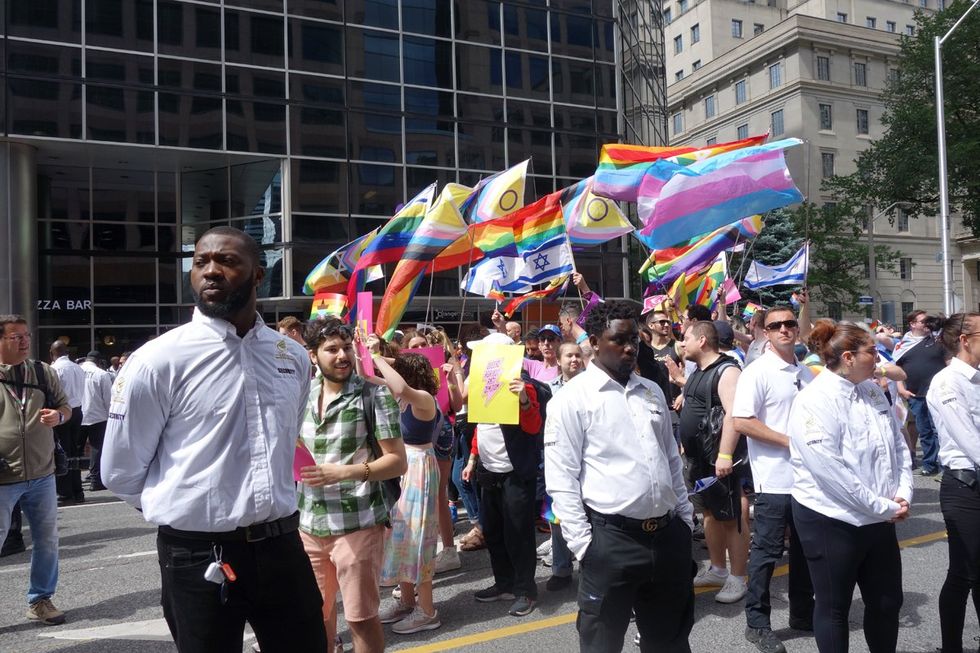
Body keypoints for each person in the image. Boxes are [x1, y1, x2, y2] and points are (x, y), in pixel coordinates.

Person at [102, 227, 328, 653]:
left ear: (258, 274)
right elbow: (120, 471)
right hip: (196, 554)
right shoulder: (158, 360)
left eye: (227, 261)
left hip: (282, 547)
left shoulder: (292, 356)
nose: (210, 271)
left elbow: (285, 443)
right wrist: (188, 507)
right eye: (201, 262)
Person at [545, 299, 694, 653]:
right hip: (611, 542)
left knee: (670, 642)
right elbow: (562, 478)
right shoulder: (572, 399)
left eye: (634, 340)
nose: (630, 348)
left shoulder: (651, 391)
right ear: (595, 342)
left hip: (667, 536)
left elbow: (670, 460)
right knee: (602, 643)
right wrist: (585, 546)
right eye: (619, 340)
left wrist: (685, 521)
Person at [788, 321, 912, 653]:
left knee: (887, 602)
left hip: (880, 515)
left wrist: (903, 492)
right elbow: (831, 472)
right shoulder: (814, 399)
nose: (879, 358)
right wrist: (884, 507)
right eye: (872, 352)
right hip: (831, 518)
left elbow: (897, 446)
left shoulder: (872, 390)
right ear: (848, 357)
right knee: (834, 607)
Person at [297, 317, 407, 653]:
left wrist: (343, 473)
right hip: (309, 524)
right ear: (313, 355)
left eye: (346, 347)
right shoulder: (301, 395)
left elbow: (397, 461)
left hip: (358, 523)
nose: (342, 355)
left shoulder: (373, 394)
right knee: (314, 616)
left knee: (360, 618)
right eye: (331, 349)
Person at [732, 307, 815, 653]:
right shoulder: (757, 371)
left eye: (790, 323)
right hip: (774, 480)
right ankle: (757, 623)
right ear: (765, 333)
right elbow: (742, 421)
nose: (784, 329)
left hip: (808, 481)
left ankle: (803, 613)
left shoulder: (806, 372)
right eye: (775, 325)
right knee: (766, 554)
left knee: (806, 551)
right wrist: (789, 442)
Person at [462, 332, 544, 618]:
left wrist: (523, 399)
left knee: (518, 534)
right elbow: (481, 427)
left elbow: (533, 427)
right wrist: (472, 459)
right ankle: (504, 583)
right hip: (488, 470)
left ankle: (525, 590)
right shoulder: (483, 384)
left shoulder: (524, 385)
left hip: (514, 472)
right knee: (494, 532)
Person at [0, 314, 72, 626]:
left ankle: (40, 600)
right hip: (3, 475)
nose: (25, 341)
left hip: (42, 473)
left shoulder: (43, 371)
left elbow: (66, 407)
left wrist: (59, 416)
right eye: (16, 336)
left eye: (26, 335)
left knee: (47, 541)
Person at [680, 320, 749, 604]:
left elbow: (734, 414)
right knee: (709, 513)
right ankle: (718, 569)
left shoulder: (728, 370)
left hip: (718, 458)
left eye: (686, 338)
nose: (681, 343)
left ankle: (738, 577)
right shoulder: (698, 371)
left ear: (702, 341)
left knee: (732, 517)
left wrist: (725, 454)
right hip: (698, 459)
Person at [373, 352, 443, 634]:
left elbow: (399, 386)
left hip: (419, 467)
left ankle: (427, 611)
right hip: (405, 466)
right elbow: (367, 377)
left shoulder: (423, 398)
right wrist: (364, 353)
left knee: (418, 536)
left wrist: (376, 356)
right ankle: (407, 601)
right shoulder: (404, 397)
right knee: (401, 535)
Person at [926, 313, 980, 653]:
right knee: (965, 573)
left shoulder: (977, 378)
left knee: (974, 572)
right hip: (965, 488)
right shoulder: (947, 382)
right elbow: (969, 439)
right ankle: (951, 647)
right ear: (965, 340)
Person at [542, 342, 584, 592]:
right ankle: (561, 568)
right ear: (558, 360)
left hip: (586, 458)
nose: (574, 360)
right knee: (556, 516)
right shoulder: (548, 389)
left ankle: (589, 567)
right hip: (557, 457)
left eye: (578, 355)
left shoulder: (592, 386)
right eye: (569, 356)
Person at [895, 310, 947, 476]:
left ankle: (945, 466)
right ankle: (930, 464)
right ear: (912, 324)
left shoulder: (937, 340)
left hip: (938, 393)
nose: (927, 324)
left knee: (940, 430)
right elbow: (897, 368)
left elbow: (948, 362)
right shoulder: (902, 345)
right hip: (916, 394)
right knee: (925, 431)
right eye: (924, 321)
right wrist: (901, 388)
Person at [49, 340, 85, 504]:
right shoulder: (78, 367)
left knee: (62, 451)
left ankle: (65, 492)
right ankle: (78, 490)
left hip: (62, 411)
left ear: (52, 353)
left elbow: (53, 393)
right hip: (77, 410)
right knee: (74, 451)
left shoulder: (55, 369)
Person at [79, 350, 112, 492]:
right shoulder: (102, 374)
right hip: (98, 416)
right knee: (97, 448)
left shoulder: (76, 371)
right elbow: (108, 398)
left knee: (75, 450)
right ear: (98, 361)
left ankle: (74, 483)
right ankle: (95, 480)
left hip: (77, 415)